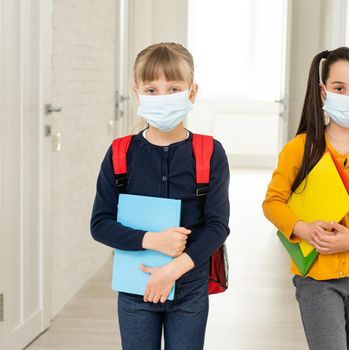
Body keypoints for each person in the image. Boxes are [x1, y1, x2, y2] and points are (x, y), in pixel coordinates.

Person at [262, 47, 349, 350]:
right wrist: (302, 228)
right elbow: (272, 202)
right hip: (315, 276)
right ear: (323, 91)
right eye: (340, 88)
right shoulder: (299, 149)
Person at [90, 42, 230, 350]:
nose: (162, 97)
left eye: (173, 88)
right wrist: (151, 240)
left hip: (189, 289)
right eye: (151, 90)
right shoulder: (119, 153)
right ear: (137, 93)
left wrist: (173, 269)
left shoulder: (210, 152)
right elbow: (99, 223)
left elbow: (218, 227)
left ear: (191, 93)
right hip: (135, 291)